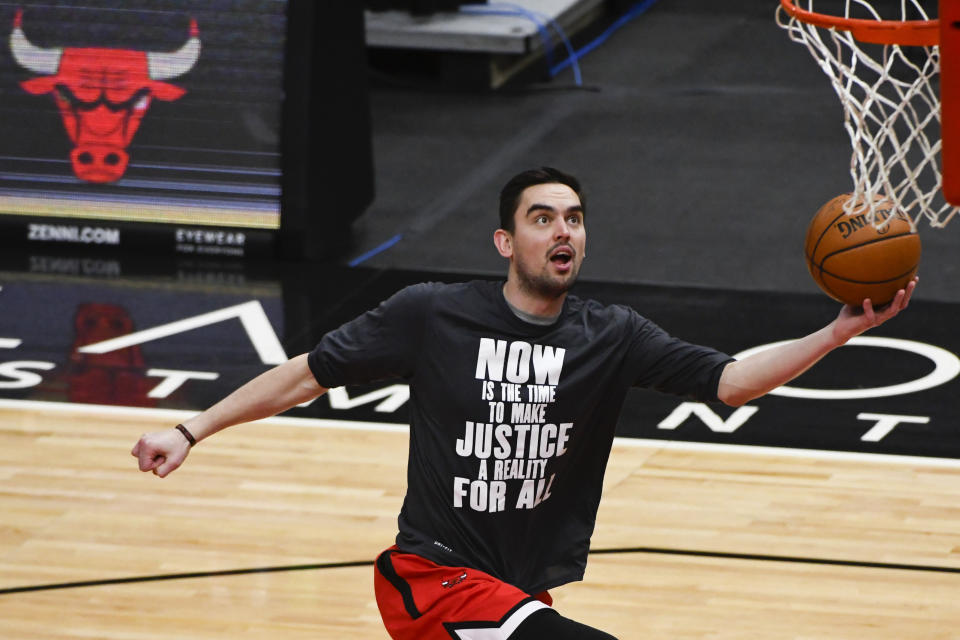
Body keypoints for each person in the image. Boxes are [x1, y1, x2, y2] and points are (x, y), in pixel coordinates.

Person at [132, 167, 916, 639]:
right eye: (542, 219)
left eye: (573, 218)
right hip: (434, 578)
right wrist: (191, 427)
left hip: (517, 591)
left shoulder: (612, 334)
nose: (562, 231)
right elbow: (305, 374)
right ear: (506, 241)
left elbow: (733, 381)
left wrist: (839, 330)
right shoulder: (431, 313)